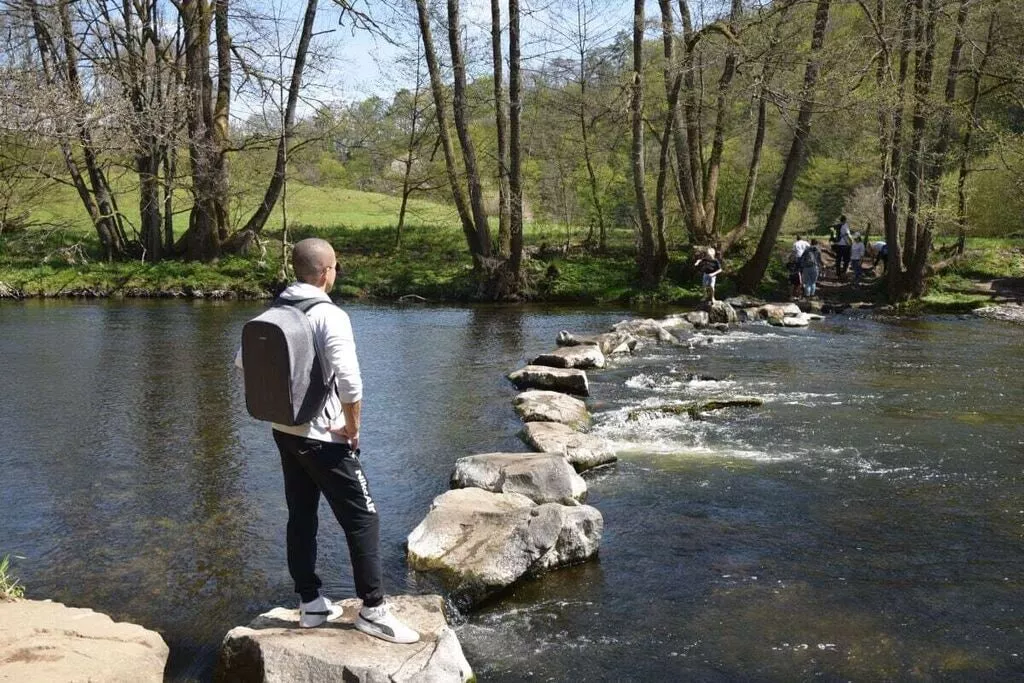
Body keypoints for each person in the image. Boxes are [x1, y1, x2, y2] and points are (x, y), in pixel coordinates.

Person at [236, 238, 419, 643]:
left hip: (285, 431)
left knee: (301, 514)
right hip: (325, 438)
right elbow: (351, 382)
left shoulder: (276, 309)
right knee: (363, 517)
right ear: (325, 272)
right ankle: (373, 610)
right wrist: (352, 427)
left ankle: (311, 603)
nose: (336, 272)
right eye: (335, 266)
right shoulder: (329, 315)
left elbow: (241, 363)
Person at [834, 215, 852, 280]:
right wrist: (851, 242)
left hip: (838, 245)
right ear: (845, 220)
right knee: (846, 259)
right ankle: (844, 272)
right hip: (845, 245)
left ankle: (838, 273)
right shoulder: (845, 225)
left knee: (838, 259)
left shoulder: (838, 226)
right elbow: (848, 235)